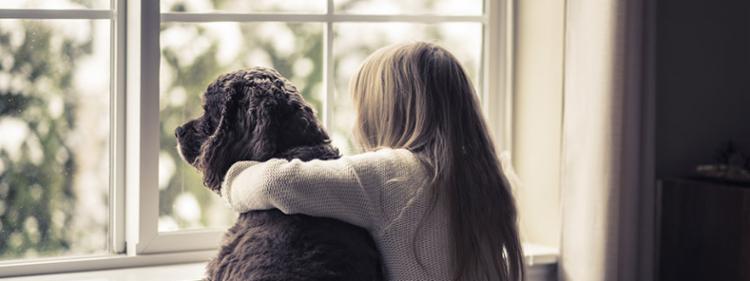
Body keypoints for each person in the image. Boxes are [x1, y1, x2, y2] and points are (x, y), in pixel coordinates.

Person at [221, 41, 524, 281]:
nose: (356, 124)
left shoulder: (393, 175)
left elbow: (279, 182)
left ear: (386, 114)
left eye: (360, 110)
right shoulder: (493, 177)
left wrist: (231, 179)